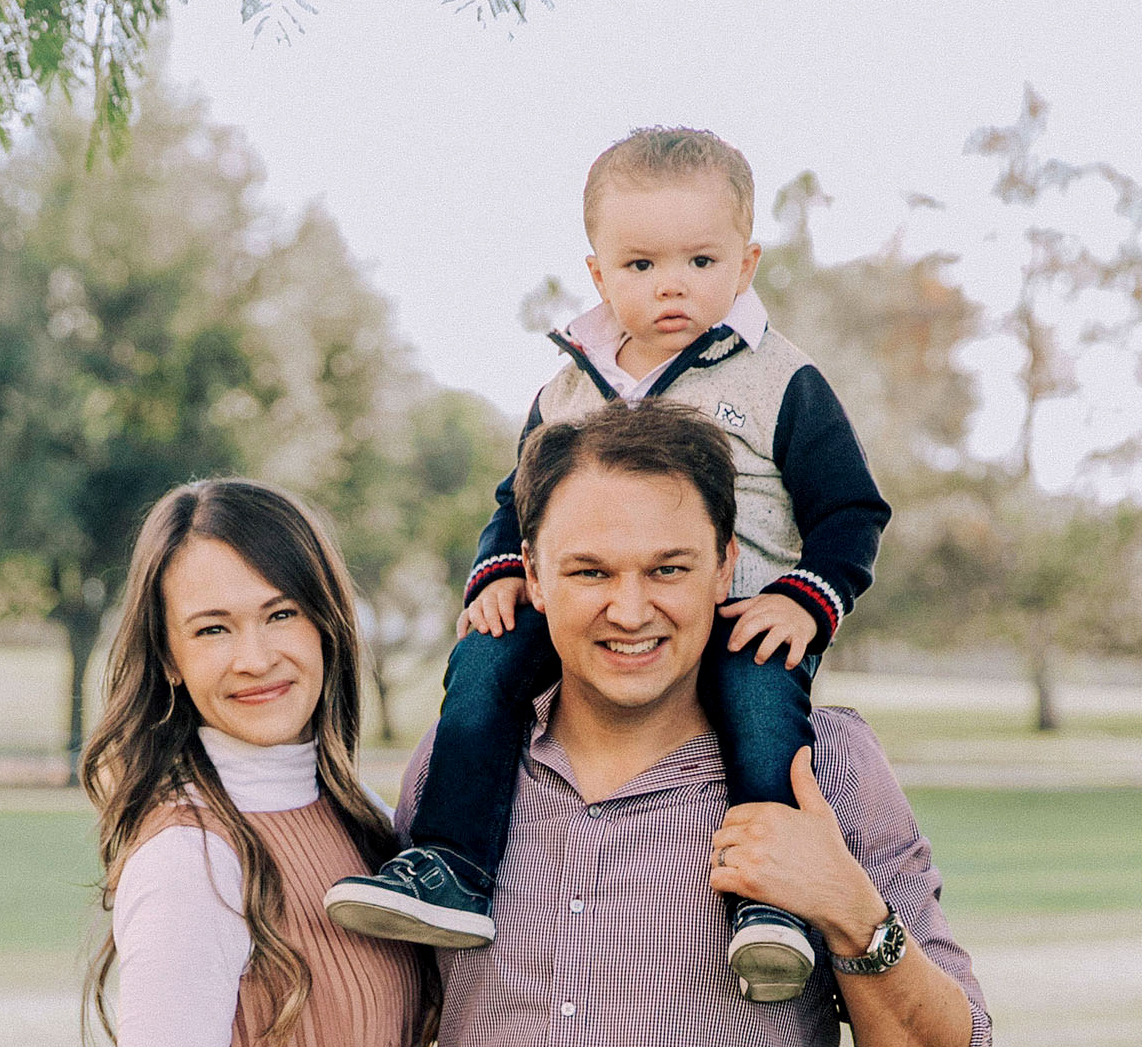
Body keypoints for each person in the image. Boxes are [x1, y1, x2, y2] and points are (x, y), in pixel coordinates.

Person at [395, 401, 991, 1047]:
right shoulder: (454, 777)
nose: (630, 610)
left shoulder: (822, 769)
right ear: (534, 579)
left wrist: (849, 910)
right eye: (589, 570)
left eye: (667, 569)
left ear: (725, 567)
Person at [325, 126, 892, 1002]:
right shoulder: (567, 388)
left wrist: (809, 601)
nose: (671, 284)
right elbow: (514, 501)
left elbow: (852, 509)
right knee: (484, 662)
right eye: (640, 265)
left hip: (743, 611)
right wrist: (503, 573)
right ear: (598, 274)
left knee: (759, 703)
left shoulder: (781, 380)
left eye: (700, 260)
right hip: (590, 615)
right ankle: (451, 863)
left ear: (746, 264)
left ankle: (766, 904)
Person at [80, 478, 576, 1047]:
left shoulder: (361, 824)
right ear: (169, 658)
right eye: (212, 629)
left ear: (325, 622)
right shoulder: (192, 855)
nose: (255, 657)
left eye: (280, 615)